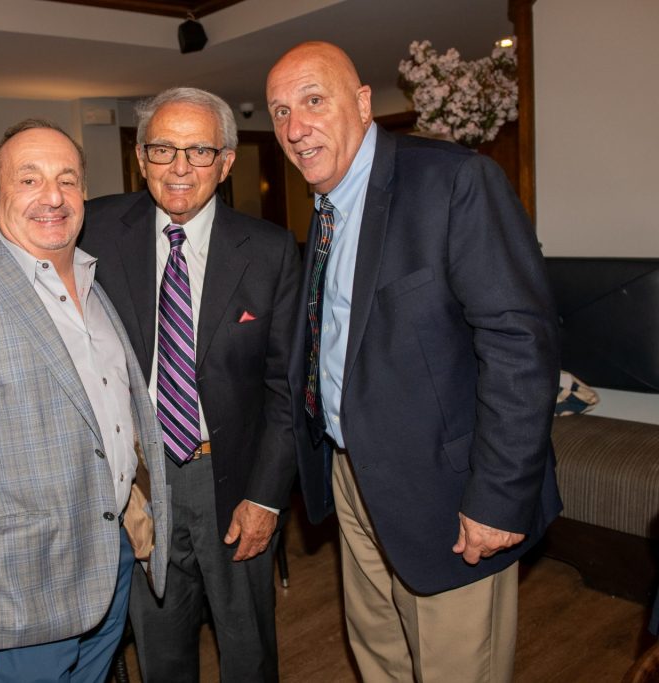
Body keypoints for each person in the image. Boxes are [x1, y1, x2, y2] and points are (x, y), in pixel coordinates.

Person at [0, 88, 300, 682]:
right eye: (163, 149)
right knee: (157, 646)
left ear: (225, 163)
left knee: (248, 646)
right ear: (140, 160)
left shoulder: (272, 249)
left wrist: (268, 495)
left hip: (232, 481)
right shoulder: (89, 223)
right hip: (134, 492)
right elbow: (18, 247)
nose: (179, 167)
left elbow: (284, 386)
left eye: (199, 151)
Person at [266, 42, 561, 682]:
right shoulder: (327, 207)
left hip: (447, 491)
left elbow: (520, 343)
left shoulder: (453, 180)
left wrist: (498, 498)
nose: (294, 127)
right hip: (353, 477)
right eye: (281, 111)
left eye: (314, 101)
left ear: (364, 103)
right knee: (382, 659)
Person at [0, 119, 170, 683]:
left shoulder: (97, 286)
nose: (52, 196)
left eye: (67, 180)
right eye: (29, 180)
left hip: (108, 562)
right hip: (14, 591)